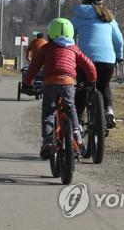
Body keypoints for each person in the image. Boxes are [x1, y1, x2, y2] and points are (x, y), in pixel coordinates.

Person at [25, 18, 97, 159]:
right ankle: (77, 133)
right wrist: (92, 80)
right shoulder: (74, 49)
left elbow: (34, 65)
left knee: (48, 113)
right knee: (70, 107)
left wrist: (28, 82)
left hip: (50, 82)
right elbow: (89, 65)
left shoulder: (46, 48)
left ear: (51, 34)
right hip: (68, 82)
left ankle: (47, 142)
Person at [71, 0, 124, 128]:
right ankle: (108, 110)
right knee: (103, 85)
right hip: (107, 60)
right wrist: (119, 56)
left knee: (82, 87)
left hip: (85, 59)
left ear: (84, 3)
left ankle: (77, 122)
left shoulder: (78, 17)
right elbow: (119, 41)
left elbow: (68, 36)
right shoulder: (109, 18)